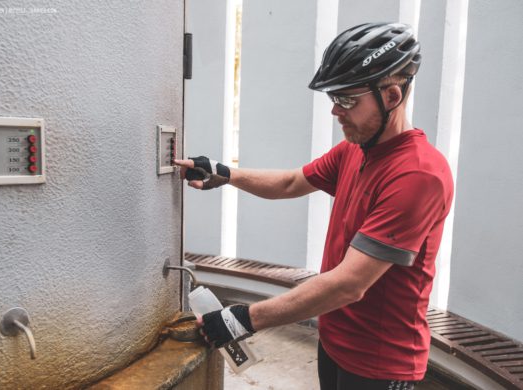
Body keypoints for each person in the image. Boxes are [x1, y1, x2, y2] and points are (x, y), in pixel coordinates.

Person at [175, 22, 454, 390]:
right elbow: (292, 182)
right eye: (333, 99)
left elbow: (349, 284)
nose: (336, 112)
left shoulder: (418, 175)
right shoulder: (355, 149)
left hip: (381, 362)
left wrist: (243, 317)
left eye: (348, 100)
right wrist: (225, 174)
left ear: (391, 96)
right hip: (335, 341)